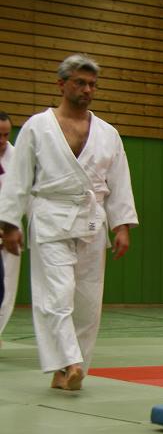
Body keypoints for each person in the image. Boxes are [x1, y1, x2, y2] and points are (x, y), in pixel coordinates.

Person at [0, 55, 138, 390]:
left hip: (92, 221)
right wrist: (9, 224)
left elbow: (119, 180)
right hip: (51, 217)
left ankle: (65, 373)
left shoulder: (107, 133)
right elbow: (18, 178)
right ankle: (70, 362)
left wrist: (121, 225)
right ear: (61, 84)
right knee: (57, 294)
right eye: (80, 82)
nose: (87, 89)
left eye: (92, 84)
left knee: (88, 303)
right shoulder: (38, 126)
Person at [0, 111, 16, 344]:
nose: (2, 140)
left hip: (10, 229)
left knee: (6, 286)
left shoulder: (17, 157)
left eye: (6, 135)